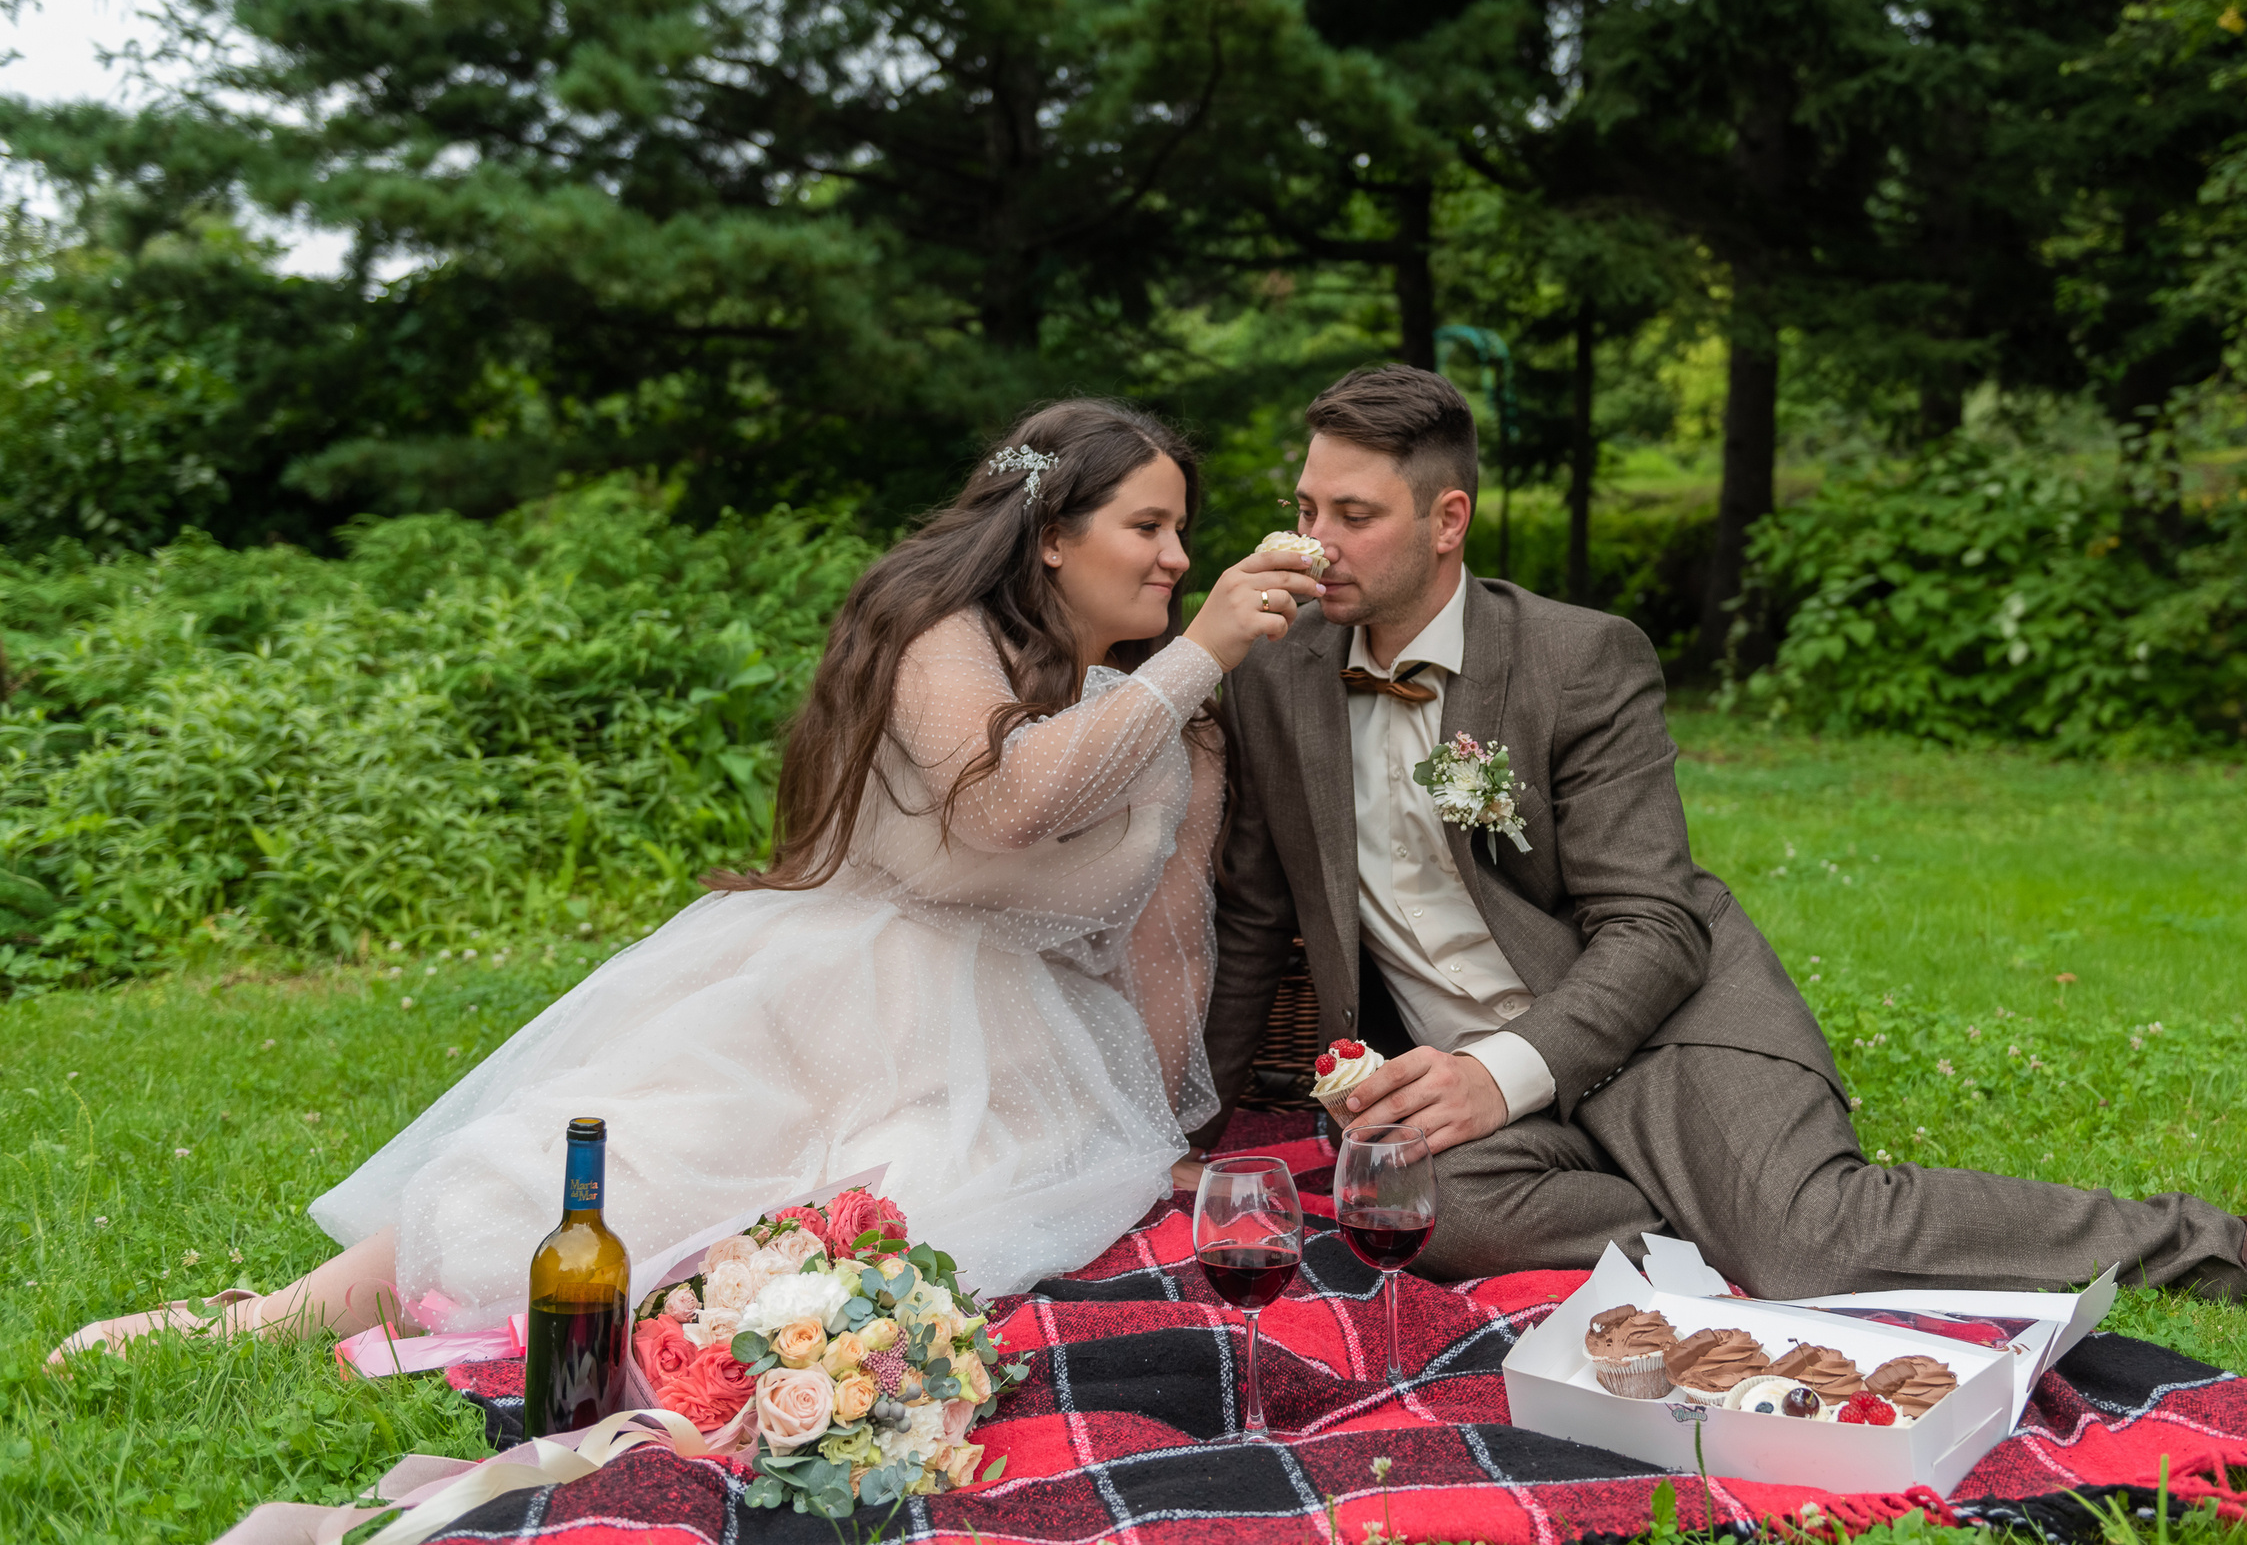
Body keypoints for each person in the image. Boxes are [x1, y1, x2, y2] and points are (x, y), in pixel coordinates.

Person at [55, 399, 1325, 1360]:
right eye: (1148, 527)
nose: (1174, 558)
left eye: (1182, 534)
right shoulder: (946, 638)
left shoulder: (1171, 712)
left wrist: (1158, 1134)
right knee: (641, 1155)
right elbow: (1002, 806)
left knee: (886, 1253)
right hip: (843, 988)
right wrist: (1203, 648)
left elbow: (1171, 939)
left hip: (1018, 1046)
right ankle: (261, 1315)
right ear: (1051, 538)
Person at [1197, 365, 2247, 1314]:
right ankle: (1731, 1218)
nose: (1311, 542)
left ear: (1447, 519)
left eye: (1351, 515)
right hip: (1481, 1099)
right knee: (1416, 1218)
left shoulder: (1579, 658)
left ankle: (2245, 1247)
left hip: (1659, 1026)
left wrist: (1500, 1071)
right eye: (1303, 507)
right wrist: (1185, 1129)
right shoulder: (1278, 671)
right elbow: (1257, 916)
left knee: (1810, 1243)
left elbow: (1655, 925)